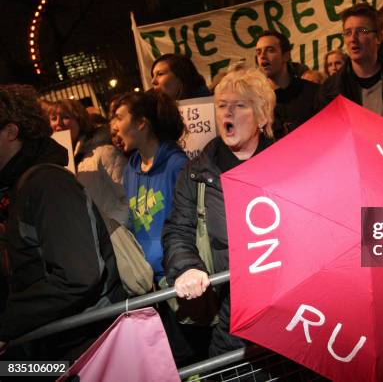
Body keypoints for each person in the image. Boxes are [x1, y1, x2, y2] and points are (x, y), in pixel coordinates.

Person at [0, 85, 125, 359]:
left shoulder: (48, 185)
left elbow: (79, 276)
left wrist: (6, 322)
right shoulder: (19, 187)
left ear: (10, 133)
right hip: (58, 342)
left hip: (86, 350)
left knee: (10, 371)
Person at [163, 68, 275, 357]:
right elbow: (178, 230)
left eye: (239, 105)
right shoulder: (197, 173)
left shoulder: (287, 164)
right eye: (222, 105)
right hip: (233, 313)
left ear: (262, 117)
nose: (228, 113)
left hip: (288, 310)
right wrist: (187, 266)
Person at [113, 91, 187, 281]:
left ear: (141, 123)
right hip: (147, 278)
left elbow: (187, 225)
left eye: (120, 118)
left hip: (176, 276)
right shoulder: (130, 170)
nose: (115, 127)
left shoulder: (177, 165)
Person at [318, 3, 383, 127]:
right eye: (348, 33)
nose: (353, 38)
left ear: (379, 37)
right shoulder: (330, 90)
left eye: (362, 31)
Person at [50, 99, 129, 224]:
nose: (58, 123)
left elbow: (130, 197)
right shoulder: (56, 165)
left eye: (66, 117)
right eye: (53, 118)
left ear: (80, 121)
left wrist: (110, 230)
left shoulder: (104, 153)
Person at [255, 30, 317, 138]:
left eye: (270, 50)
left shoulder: (314, 93)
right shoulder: (255, 102)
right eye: (258, 52)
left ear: (286, 56)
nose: (262, 56)